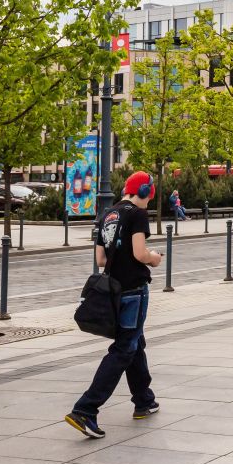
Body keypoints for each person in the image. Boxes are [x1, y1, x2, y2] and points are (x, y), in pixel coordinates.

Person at [66, 172, 163, 439]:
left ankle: (144, 399)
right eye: (149, 197)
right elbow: (139, 253)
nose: (148, 203)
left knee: (135, 343)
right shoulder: (137, 215)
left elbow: (100, 258)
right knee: (124, 348)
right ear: (144, 192)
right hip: (133, 290)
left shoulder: (108, 214)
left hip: (115, 292)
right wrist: (154, 258)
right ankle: (86, 409)